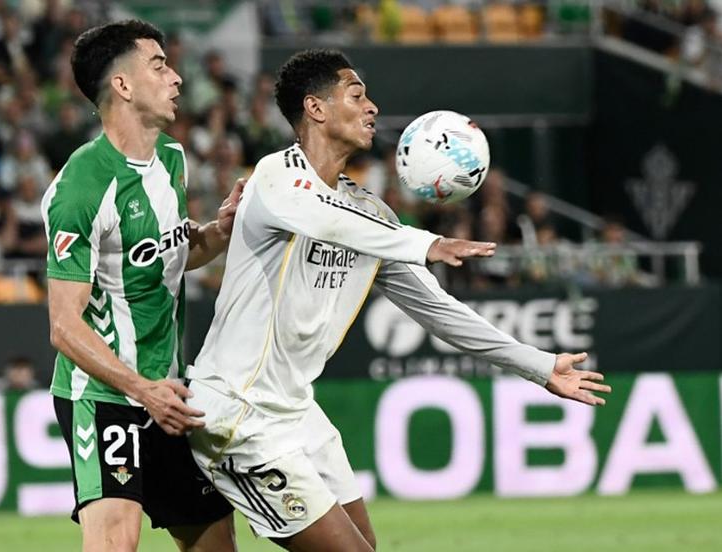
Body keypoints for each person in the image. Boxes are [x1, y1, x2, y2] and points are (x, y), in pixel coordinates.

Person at [185, 49, 611, 551]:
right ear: (315, 109)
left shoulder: (371, 214)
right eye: (357, 95)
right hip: (238, 410)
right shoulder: (275, 177)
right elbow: (324, 217)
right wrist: (424, 242)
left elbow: (440, 310)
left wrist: (539, 365)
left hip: (297, 413)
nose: (373, 108)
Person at [41, 20, 240, 552]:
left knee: (215, 543)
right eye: (159, 65)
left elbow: (170, 253)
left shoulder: (172, 160)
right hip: (106, 397)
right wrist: (139, 389)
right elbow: (64, 326)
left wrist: (219, 233)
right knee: (115, 544)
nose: (175, 78)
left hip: (167, 395)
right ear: (123, 86)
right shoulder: (82, 187)